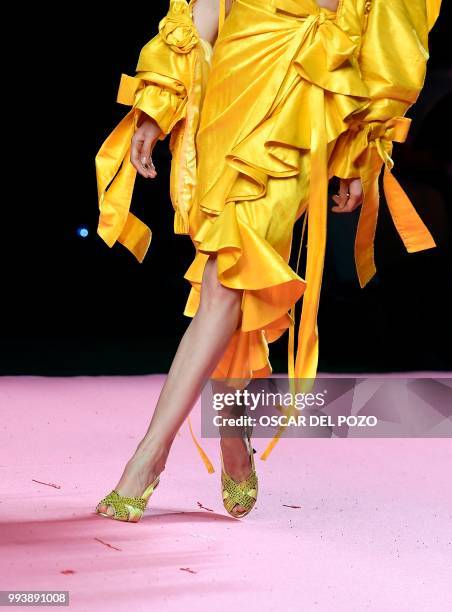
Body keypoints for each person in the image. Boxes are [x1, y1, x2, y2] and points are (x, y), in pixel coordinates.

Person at [94, 0, 441, 521]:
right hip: (232, 85)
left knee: (227, 277)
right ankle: (233, 434)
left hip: (302, 99)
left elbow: (384, 35)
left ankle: (149, 456)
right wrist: (157, 105)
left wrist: (356, 147)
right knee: (233, 276)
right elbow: (207, 9)